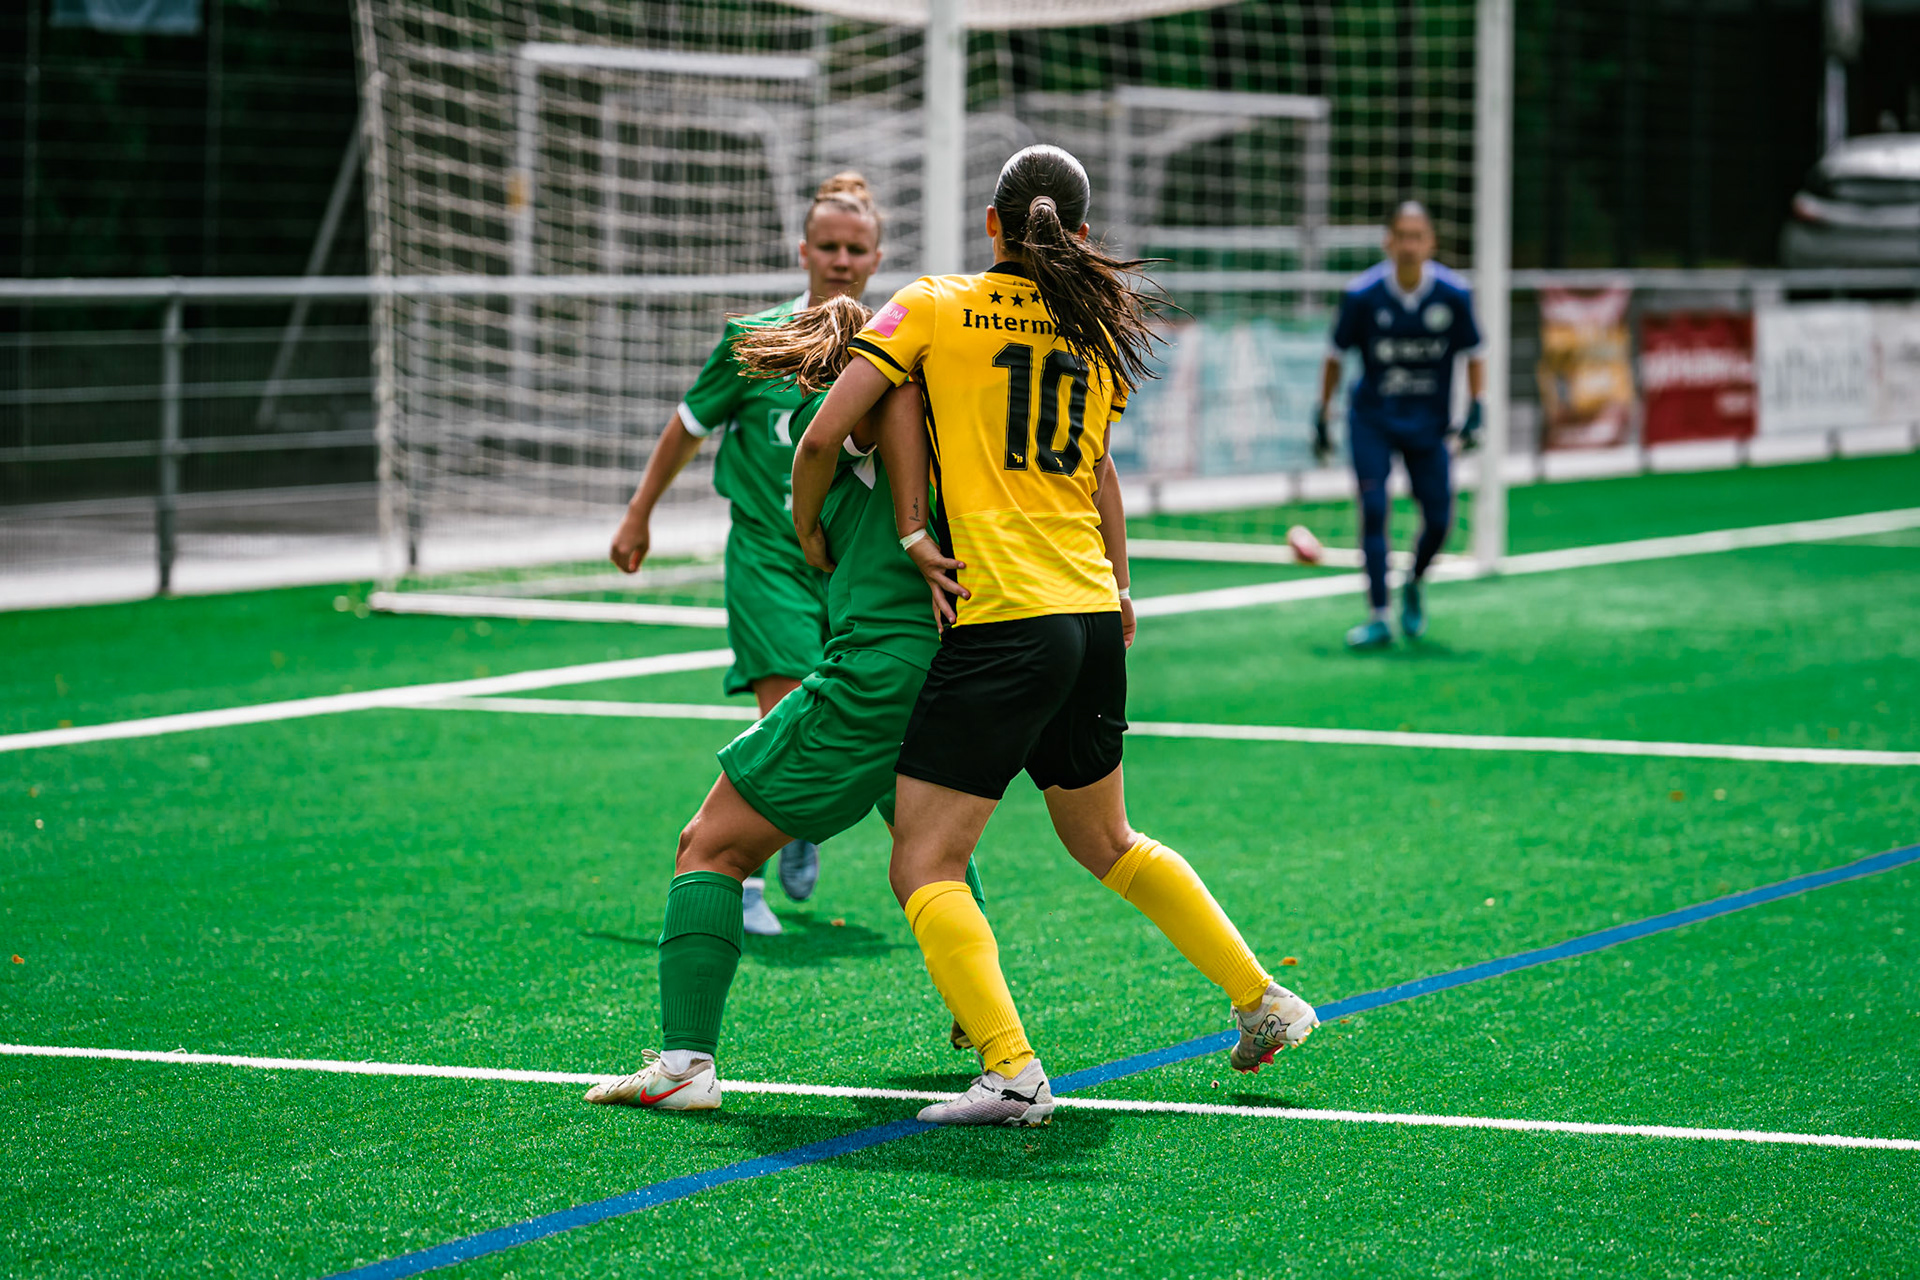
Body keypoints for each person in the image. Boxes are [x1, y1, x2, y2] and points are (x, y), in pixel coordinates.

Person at [790, 145, 1318, 1129]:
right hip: (1087, 616)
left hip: (1007, 622)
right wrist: (1121, 582)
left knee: (923, 863)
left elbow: (824, 436)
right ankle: (1261, 997)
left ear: (992, 225)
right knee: (1106, 838)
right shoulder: (1094, 329)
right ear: (1075, 237)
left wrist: (808, 528)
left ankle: (1012, 1071)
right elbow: (1100, 473)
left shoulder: (934, 305)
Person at [582, 297, 988, 1113]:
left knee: (708, 846)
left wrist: (807, 526)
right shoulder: (956, 412)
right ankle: (985, 1024)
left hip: (877, 669)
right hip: (958, 665)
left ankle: (686, 1067)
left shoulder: (869, 408)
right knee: (930, 853)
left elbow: (818, 440)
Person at [607, 172, 885, 934]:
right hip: (767, 557)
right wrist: (639, 515)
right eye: (826, 245)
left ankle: (815, 827)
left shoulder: (891, 343)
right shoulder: (754, 339)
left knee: (873, 725)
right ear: (803, 250)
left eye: (854, 248)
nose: (839, 259)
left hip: (853, 569)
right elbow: (688, 424)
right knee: (787, 708)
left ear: (876, 254)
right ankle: (751, 877)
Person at [1313, 200, 1485, 649]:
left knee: (1441, 518)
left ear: (1431, 242)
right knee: (1374, 509)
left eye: (1418, 236)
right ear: (1388, 241)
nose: (1409, 245)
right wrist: (1322, 413)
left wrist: (1478, 406)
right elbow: (1336, 355)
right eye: (1401, 236)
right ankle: (1379, 615)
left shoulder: (1454, 294)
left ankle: (1414, 581)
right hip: (1372, 419)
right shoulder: (1361, 295)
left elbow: (1474, 353)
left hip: (1429, 424)